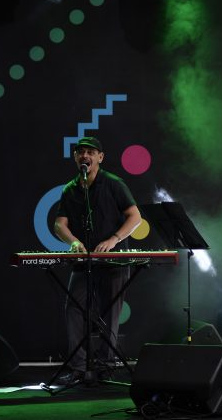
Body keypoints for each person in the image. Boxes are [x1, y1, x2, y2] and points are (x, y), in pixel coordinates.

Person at [53, 136, 142, 383]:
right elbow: (59, 224)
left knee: (111, 311)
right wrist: (73, 241)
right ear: (75, 157)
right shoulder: (70, 189)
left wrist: (114, 239)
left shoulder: (114, 183)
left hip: (114, 260)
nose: (85, 156)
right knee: (74, 308)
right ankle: (79, 367)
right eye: (81, 151)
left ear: (100, 157)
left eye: (91, 152)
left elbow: (135, 217)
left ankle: (105, 366)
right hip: (84, 261)